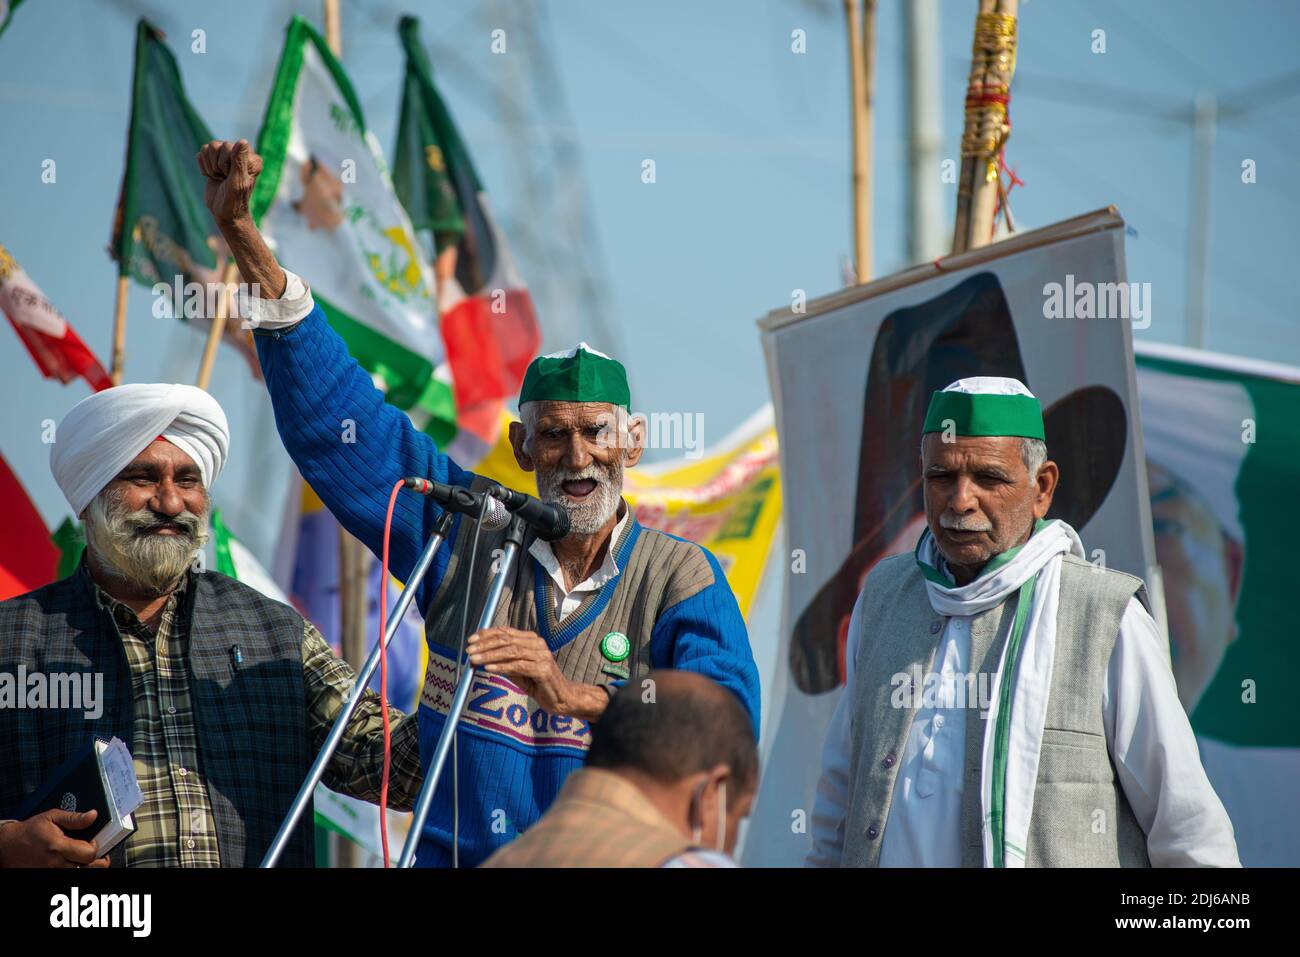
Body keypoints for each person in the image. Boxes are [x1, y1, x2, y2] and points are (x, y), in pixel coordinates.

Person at [195, 139, 760, 867]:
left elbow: (724, 736)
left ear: (634, 442)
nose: (578, 457)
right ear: (522, 448)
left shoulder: (682, 578)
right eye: (553, 437)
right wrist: (245, 238)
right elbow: (344, 426)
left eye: (596, 432)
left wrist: (569, 692)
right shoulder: (466, 540)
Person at [808, 377, 1240, 868]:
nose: (960, 500)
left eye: (989, 479)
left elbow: (1186, 827)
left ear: (1042, 488)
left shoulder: (1104, 616)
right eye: (941, 477)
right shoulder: (884, 599)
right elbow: (839, 799)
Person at [0, 383, 422, 867]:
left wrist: (463, 646)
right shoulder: (12, 643)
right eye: (143, 478)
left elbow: (394, 766)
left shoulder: (274, 634)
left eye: (187, 480)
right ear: (87, 495)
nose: (171, 503)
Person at [482, 670, 758, 867]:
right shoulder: (688, 863)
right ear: (711, 793)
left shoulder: (502, 859)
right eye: (739, 818)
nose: (732, 847)